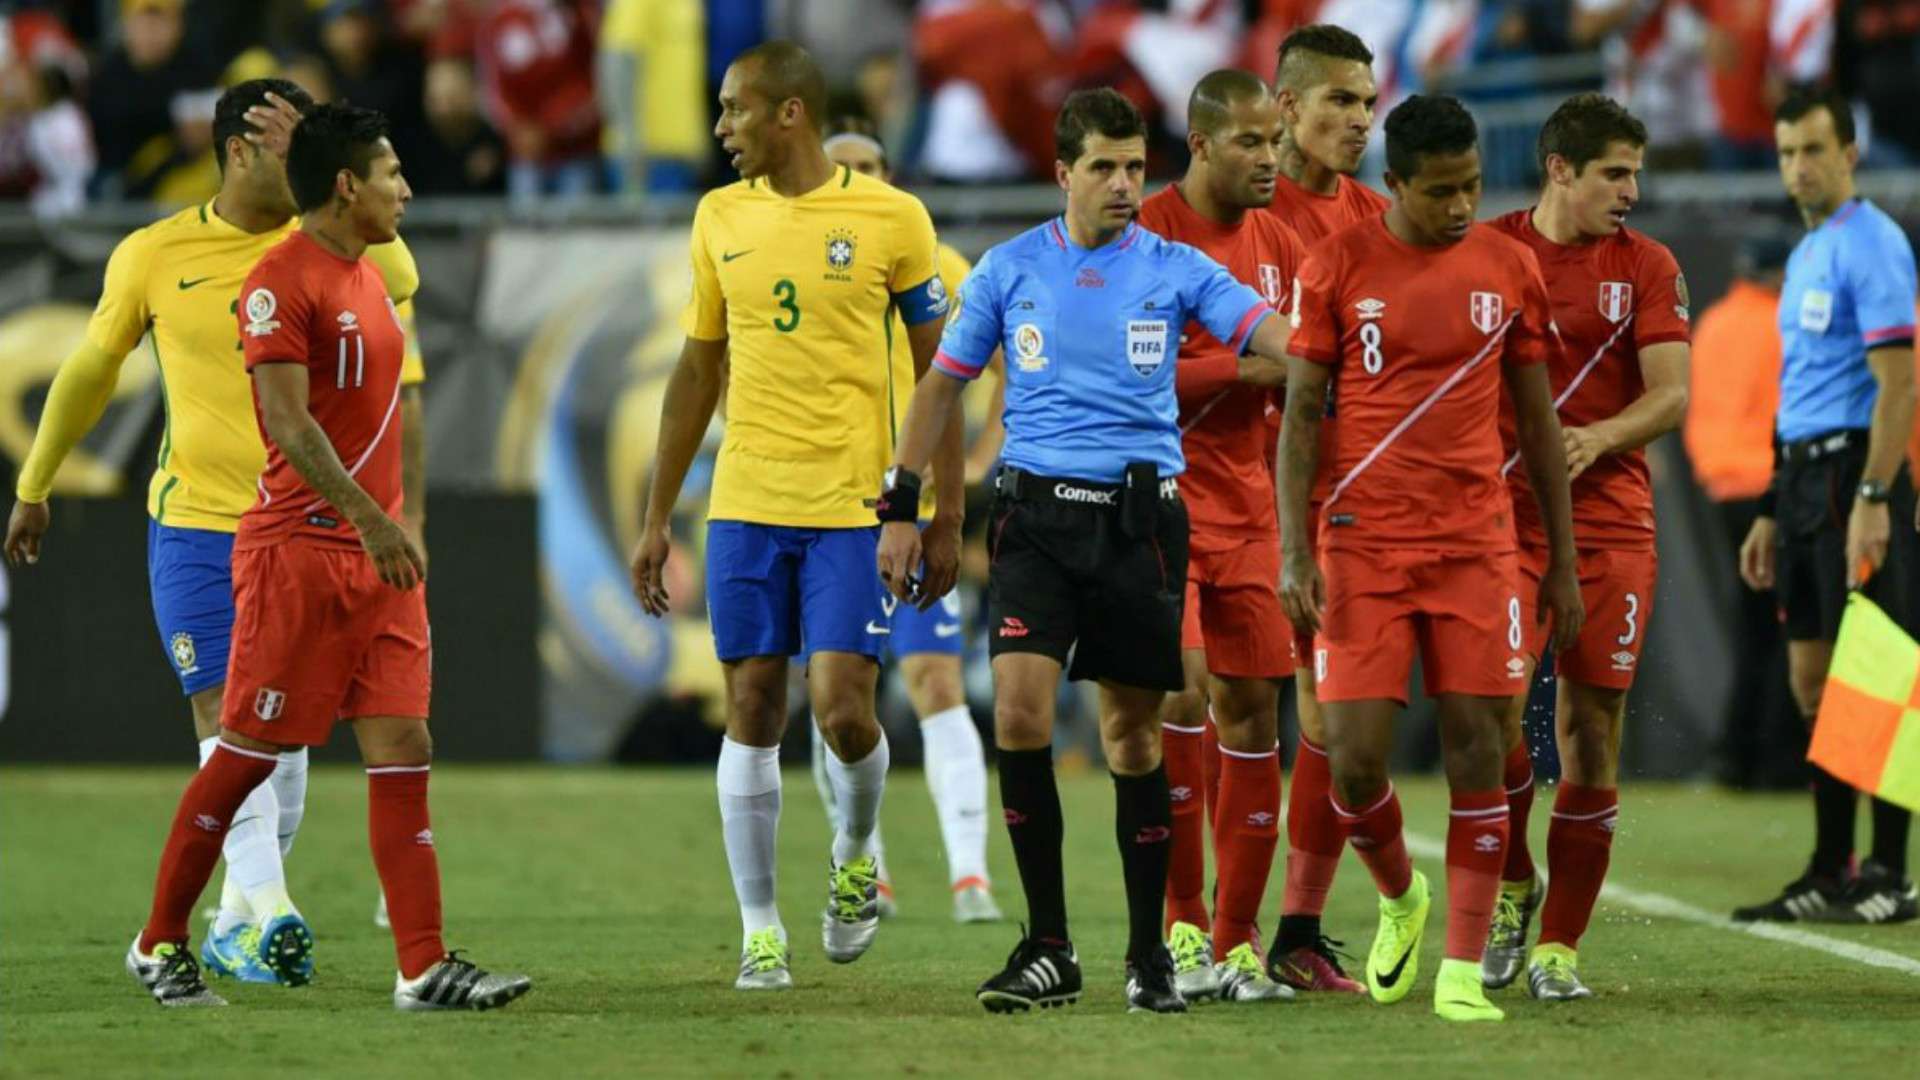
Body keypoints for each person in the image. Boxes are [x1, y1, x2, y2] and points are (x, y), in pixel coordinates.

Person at [875, 87, 1296, 1015]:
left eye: (1136, 168)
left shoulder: (1177, 268)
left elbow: (1274, 337)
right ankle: (1049, 946)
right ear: (1063, 172)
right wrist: (907, 506)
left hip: (1139, 525)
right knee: (1020, 716)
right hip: (1033, 523)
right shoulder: (1007, 269)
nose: (1122, 185)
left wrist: (1327, 351)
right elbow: (941, 388)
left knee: (1132, 735)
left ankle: (1149, 955)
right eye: (1103, 167)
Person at [5, 78, 426, 989]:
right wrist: (35, 485)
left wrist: (405, 515)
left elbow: (405, 337)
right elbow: (88, 370)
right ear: (239, 149)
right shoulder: (156, 253)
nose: (315, 166)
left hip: (314, 536)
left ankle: (234, 919)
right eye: (291, 146)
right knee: (227, 718)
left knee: (282, 748)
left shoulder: (338, 251)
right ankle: (272, 910)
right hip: (198, 524)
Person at [124, 102, 528, 1011]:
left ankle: (421, 967)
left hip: (374, 558)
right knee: (245, 754)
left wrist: (392, 523)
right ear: (348, 185)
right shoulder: (278, 282)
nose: (408, 189)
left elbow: (389, 397)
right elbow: (288, 425)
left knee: (404, 744)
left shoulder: (372, 276)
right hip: (300, 551)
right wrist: (371, 520)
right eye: (391, 172)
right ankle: (157, 943)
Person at [629, 41, 962, 992]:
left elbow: (945, 374)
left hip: (855, 509)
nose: (721, 128)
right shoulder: (718, 216)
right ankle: (762, 927)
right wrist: (656, 517)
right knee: (751, 708)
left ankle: (855, 852)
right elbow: (697, 373)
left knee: (846, 713)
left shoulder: (892, 217)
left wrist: (939, 516)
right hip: (745, 503)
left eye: (735, 110)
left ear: (790, 114)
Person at [1277, 94, 1584, 1024]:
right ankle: (1402, 895)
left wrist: (1561, 563)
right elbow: (1299, 417)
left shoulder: (1510, 268)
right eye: (1441, 192)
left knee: (1479, 750)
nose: (1460, 208)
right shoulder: (1338, 264)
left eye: (1474, 189)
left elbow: (1537, 423)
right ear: (1395, 185)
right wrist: (1294, 548)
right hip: (1363, 543)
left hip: (1477, 548)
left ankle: (1459, 971)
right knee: (1354, 762)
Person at [1476, 93, 1692, 1001]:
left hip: (1609, 521)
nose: (1631, 191)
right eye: (1614, 172)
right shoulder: (1488, 250)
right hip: (1503, 519)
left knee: (1590, 730)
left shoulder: (1647, 265)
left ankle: (1559, 948)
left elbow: (1673, 395)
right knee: (1490, 719)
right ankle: (1513, 885)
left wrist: (1597, 439)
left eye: (1636, 172)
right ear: (1560, 167)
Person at [808, 118, 1005, 925]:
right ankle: (870, 870)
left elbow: (1003, 367)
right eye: (843, 168)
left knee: (936, 681)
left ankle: (971, 879)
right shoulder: (802, 261)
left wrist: (982, 458)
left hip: (916, 511)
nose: (861, 179)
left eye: (873, 166)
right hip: (822, 512)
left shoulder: (938, 264)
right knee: (838, 699)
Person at [1132, 68, 1301, 1005]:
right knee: (1181, 697)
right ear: (1199, 145)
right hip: (1161, 506)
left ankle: (1238, 944)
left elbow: (1301, 368)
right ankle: (1182, 925)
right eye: (1250, 143)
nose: (1269, 159)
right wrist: (1242, 371)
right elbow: (1136, 372)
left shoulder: (1279, 243)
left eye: (1275, 142)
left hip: (1252, 509)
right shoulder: (1149, 231)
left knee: (1253, 714)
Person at [1734, 87, 1920, 924]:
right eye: (1785, 153)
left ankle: (1887, 871)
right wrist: (1773, 503)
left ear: (1850, 152)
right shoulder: (1808, 251)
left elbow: (1899, 383)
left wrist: (1877, 496)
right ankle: (1829, 866)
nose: (1797, 168)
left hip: (1854, 477)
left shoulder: (1873, 244)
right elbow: (1797, 391)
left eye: (1812, 150)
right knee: (1812, 680)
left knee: (1876, 675)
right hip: (1804, 480)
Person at [1260, 22, 1390, 997]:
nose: (1359, 116)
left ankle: (1293, 927)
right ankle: (1200, 934)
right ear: (1284, 107)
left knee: (1325, 718)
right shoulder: (1237, 216)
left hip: (1342, 504)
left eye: (1365, 97)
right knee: (1203, 703)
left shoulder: (1384, 222)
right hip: (1228, 491)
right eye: (1338, 99)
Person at [1686, 233, 1803, 790]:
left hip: (1722, 484)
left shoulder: (1714, 321)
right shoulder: (1785, 324)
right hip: (1771, 487)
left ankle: (1734, 757)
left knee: (1754, 627)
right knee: (1792, 626)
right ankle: (1780, 763)